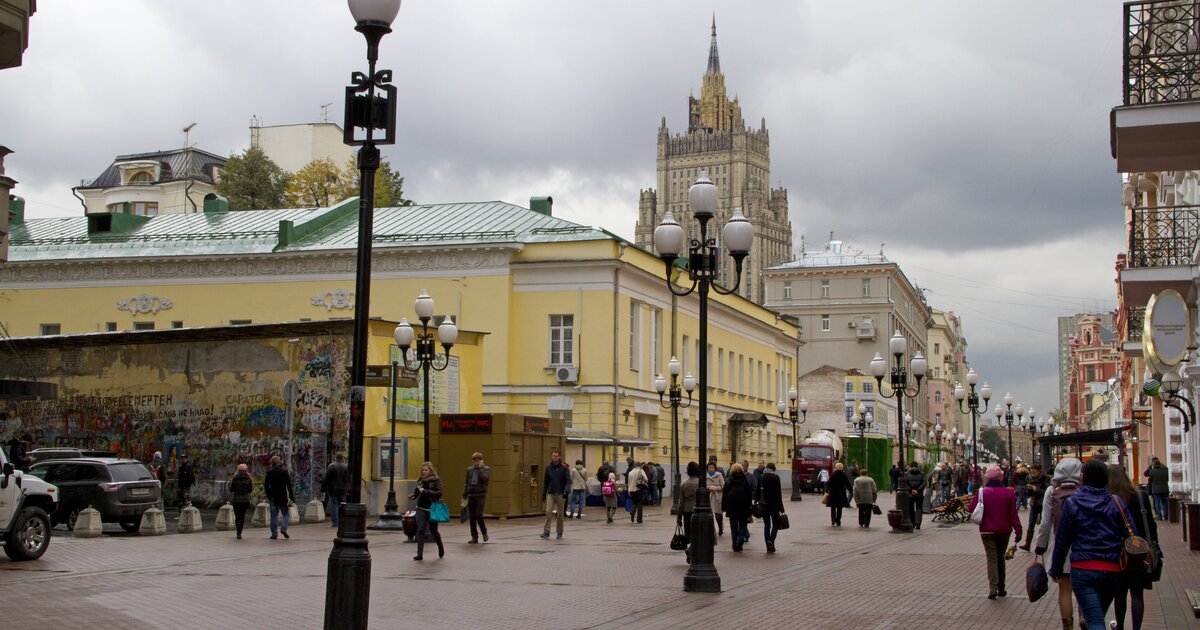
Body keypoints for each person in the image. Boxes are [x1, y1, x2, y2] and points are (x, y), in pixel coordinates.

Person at [1049, 460, 1128, 630]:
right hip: (1112, 570)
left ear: (1082, 478)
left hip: (1083, 569)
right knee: (1097, 616)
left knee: (1095, 620)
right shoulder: (1117, 502)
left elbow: (1063, 540)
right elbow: (1130, 534)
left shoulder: (1073, 503)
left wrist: (1056, 568)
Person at [1035, 458, 1084, 630]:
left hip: (1060, 546)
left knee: (1065, 589)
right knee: (1082, 588)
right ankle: (1084, 617)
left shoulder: (1052, 491)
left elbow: (1046, 522)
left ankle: (1067, 626)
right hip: (1082, 545)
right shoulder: (1084, 490)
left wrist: (1040, 545)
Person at [1109, 464, 1157, 630]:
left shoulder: (1109, 499)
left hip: (1117, 553)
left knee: (1119, 593)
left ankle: (1120, 626)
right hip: (1138, 551)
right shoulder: (1140, 496)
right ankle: (1136, 628)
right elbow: (1151, 525)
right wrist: (1154, 547)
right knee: (1137, 593)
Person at [968, 465, 1021, 599]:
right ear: (1001, 477)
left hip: (986, 531)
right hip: (1004, 530)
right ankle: (1001, 587)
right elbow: (1013, 515)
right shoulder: (1009, 493)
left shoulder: (982, 492)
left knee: (992, 559)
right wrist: (1019, 531)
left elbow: (971, 508)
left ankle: (993, 588)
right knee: (1000, 558)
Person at [411, 461, 444, 561]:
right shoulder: (420, 480)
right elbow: (417, 491)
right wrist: (413, 495)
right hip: (420, 507)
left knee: (434, 531)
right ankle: (419, 554)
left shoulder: (436, 480)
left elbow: (439, 493)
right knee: (420, 529)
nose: (424, 472)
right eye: (422, 470)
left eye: (426, 470)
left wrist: (425, 491)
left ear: (430, 470)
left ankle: (440, 546)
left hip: (432, 508)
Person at [722, 463, 753, 551]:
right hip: (743, 505)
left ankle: (735, 544)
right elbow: (748, 494)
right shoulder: (745, 480)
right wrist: (750, 506)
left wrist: (724, 507)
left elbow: (725, 495)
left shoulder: (728, 480)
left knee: (733, 525)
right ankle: (739, 540)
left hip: (731, 506)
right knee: (743, 524)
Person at [541, 450, 571, 539]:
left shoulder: (564, 468)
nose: (554, 458)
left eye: (556, 456)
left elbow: (568, 481)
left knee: (560, 514)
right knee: (548, 512)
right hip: (551, 493)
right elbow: (545, 481)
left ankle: (559, 531)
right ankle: (546, 531)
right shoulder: (548, 467)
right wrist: (543, 493)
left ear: (559, 457)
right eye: (553, 456)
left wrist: (566, 491)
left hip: (561, 494)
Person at [1018, 463, 1048, 550]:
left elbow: (1046, 492)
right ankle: (1027, 544)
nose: (1032, 475)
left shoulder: (1045, 478)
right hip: (1034, 503)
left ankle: (1044, 544)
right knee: (1031, 524)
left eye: (1034, 473)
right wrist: (1029, 490)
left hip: (1043, 504)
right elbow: (1029, 494)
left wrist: (1035, 489)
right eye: (1031, 472)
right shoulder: (1029, 478)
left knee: (1044, 524)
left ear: (1039, 471)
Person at [263, 455, 294, 540]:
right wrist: (291, 496)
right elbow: (289, 485)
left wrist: (269, 495)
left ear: (271, 463)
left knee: (273, 516)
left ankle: (274, 534)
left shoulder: (269, 472)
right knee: (285, 514)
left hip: (273, 496)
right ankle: (283, 528)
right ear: (279, 462)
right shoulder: (284, 472)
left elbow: (266, 485)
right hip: (282, 496)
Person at [756, 462, 784, 553]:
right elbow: (778, 493)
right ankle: (771, 540)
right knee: (775, 524)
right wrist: (781, 506)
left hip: (764, 504)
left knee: (767, 525)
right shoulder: (776, 478)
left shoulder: (761, 477)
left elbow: (758, 491)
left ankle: (768, 545)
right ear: (773, 469)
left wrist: (756, 501)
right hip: (774, 505)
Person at [463, 452, 490, 543]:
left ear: (481, 460)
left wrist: (480, 468)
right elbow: (467, 483)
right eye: (474, 460)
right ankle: (474, 537)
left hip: (481, 495)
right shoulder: (469, 470)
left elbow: (485, 479)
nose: (475, 462)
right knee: (472, 518)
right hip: (471, 495)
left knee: (478, 514)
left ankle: (484, 532)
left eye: (477, 460)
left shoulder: (486, 469)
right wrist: (464, 494)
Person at [678, 462, 700, 562]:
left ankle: (691, 550)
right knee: (699, 533)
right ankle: (691, 551)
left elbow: (681, 503)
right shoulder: (701, 483)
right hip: (699, 511)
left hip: (687, 511)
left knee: (690, 534)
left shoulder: (684, 484)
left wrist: (679, 518)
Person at [321, 453, 349, 528]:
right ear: (342, 458)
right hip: (343, 490)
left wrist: (323, 488)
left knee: (334, 505)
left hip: (333, 489)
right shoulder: (346, 467)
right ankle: (343, 521)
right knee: (342, 505)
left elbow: (326, 478)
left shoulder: (332, 466)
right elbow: (348, 479)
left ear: (336, 458)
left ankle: (335, 522)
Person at [228, 463, 253, 540]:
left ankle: (237, 531)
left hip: (236, 500)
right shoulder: (248, 478)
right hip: (245, 500)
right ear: (246, 470)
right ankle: (240, 532)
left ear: (238, 470)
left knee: (237, 516)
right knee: (242, 516)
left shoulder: (235, 478)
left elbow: (232, 489)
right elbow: (250, 490)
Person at [825, 462, 852, 527]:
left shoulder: (833, 474)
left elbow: (828, 483)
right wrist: (851, 491)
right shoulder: (843, 475)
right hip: (841, 493)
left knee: (833, 507)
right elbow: (847, 484)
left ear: (836, 467)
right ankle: (838, 521)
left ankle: (833, 520)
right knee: (839, 508)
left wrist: (827, 490)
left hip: (833, 493)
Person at [904, 461, 927, 529]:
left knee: (910, 508)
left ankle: (912, 522)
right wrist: (918, 490)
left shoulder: (906, 474)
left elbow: (905, 483)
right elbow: (924, 483)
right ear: (917, 466)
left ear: (910, 466)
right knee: (919, 508)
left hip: (910, 494)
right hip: (919, 494)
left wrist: (911, 490)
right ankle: (918, 523)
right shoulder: (922, 473)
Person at [626, 459, 649, 524]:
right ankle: (639, 519)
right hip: (639, 489)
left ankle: (632, 512)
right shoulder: (641, 471)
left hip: (631, 490)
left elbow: (629, 482)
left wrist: (628, 491)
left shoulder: (630, 472)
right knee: (640, 504)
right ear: (640, 465)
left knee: (634, 502)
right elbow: (646, 479)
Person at [707, 461, 726, 536]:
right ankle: (712, 530)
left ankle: (720, 527)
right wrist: (709, 487)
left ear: (715, 468)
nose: (711, 469)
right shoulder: (705, 476)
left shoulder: (719, 476)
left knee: (718, 515)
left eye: (712, 467)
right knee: (710, 515)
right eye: (709, 467)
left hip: (718, 497)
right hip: (709, 498)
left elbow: (723, 486)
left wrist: (716, 488)